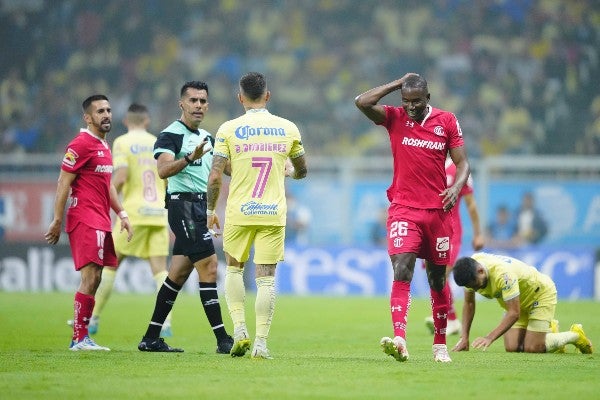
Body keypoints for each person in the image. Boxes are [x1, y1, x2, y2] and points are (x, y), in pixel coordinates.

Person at [355, 73, 470, 363]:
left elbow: (463, 163)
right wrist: (397, 84)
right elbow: (361, 101)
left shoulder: (446, 121)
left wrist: (456, 187)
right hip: (404, 209)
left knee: (436, 279)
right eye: (406, 101)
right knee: (403, 267)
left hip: (437, 212)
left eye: (416, 101)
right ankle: (400, 339)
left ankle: (440, 344)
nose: (410, 107)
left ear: (428, 99)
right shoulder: (394, 118)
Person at [206, 72, 307, 359]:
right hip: (273, 212)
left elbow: (215, 176)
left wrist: (211, 210)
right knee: (266, 278)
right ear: (268, 95)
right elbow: (303, 170)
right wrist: (291, 171)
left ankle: (239, 330)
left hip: (239, 212)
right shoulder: (288, 128)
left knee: (235, 269)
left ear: (240, 98)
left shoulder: (227, 129)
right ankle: (261, 344)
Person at [137, 81, 233, 353]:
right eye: (193, 100)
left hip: (200, 208)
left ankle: (151, 338)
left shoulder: (208, 137)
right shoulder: (170, 135)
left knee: (177, 274)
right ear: (182, 103)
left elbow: (227, 170)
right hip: (183, 207)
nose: (199, 105)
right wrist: (190, 157)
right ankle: (223, 340)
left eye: (203, 101)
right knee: (211, 266)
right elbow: (164, 170)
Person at [45, 94, 133, 351]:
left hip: (101, 218)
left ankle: (82, 335)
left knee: (96, 277)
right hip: (85, 217)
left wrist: (123, 214)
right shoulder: (80, 145)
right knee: (90, 277)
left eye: (108, 110)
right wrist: (57, 219)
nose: (106, 114)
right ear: (88, 117)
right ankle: (79, 338)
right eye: (100, 111)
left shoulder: (104, 145)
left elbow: (108, 186)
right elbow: (63, 183)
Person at [87, 103, 172, 337]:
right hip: (158, 214)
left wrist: (103, 197)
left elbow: (121, 176)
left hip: (133, 215)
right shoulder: (158, 142)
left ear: (125, 121)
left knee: (110, 266)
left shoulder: (122, 142)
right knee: (160, 271)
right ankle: (165, 324)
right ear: (147, 121)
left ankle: (92, 318)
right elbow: (166, 179)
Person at [452, 253, 593, 354]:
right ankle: (549, 331)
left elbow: (514, 313)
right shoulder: (470, 269)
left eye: (476, 285)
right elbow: (469, 303)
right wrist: (464, 337)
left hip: (539, 295)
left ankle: (575, 335)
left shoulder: (503, 276)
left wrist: (489, 337)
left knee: (532, 348)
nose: (475, 289)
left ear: (481, 271)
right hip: (517, 302)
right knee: (513, 348)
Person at [425, 158, 485, 336]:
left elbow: (471, 205)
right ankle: (449, 318)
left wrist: (478, 234)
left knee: (442, 272)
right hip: (429, 228)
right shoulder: (429, 163)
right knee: (433, 275)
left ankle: (449, 320)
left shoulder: (460, 169)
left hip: (450, 230)